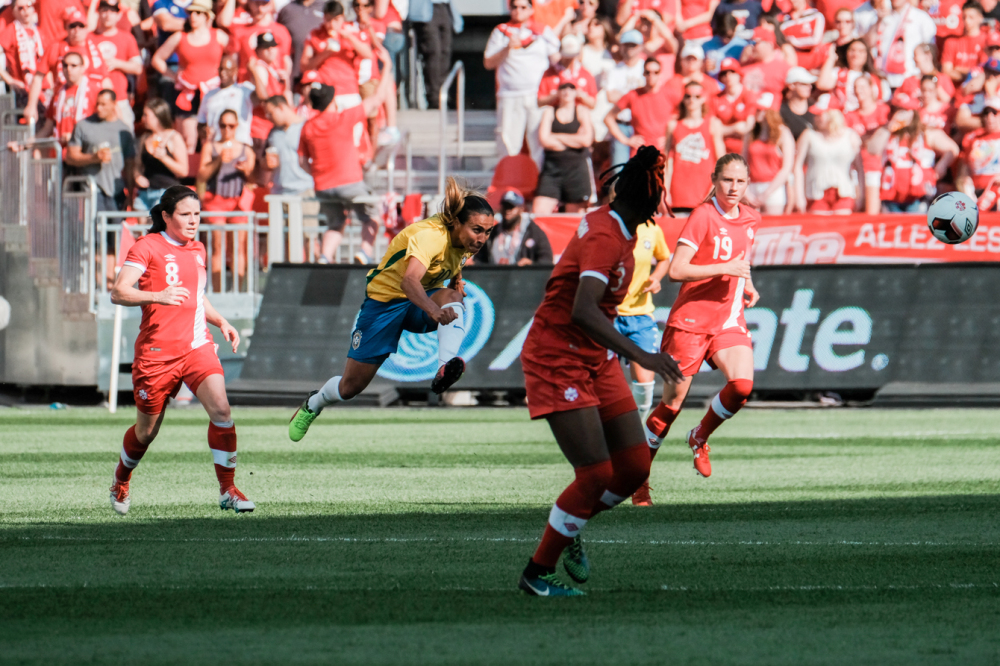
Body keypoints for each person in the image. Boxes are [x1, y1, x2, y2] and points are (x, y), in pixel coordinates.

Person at [516, 146, 683, 596]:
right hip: (559, 357)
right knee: (594, 474)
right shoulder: (608, 237)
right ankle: (537, 573)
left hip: (596, 357)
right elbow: (583, 309)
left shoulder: (623, 226)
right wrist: (643, 356)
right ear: (642, 197)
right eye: (658, 192)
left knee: (631, 469)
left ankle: (569, 526)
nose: (662, 201)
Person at [287, 178, 496, 439]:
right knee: (350, 387)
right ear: (456, 223)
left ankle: (445, 367)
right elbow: (409, 281)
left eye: (488, 232)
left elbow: (452, 263)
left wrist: (455, 282)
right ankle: (313, 404)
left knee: (453, 296)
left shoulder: (466, 243)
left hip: (417, 303)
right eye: (478, 230)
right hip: (384, 305)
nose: (483, 238)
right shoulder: (430, 236)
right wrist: (433, 310)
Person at [108, 185, 255, 516]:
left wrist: (221, 321)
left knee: (222, 410)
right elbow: (118, 293)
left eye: (197, 214)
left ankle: (227, 489)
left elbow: (195, 295)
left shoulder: (198, 249)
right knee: (146, 433)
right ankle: (121, 478)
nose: (193, 221)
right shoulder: (147, 247)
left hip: (196, 346)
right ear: (166, 216)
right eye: (185, 215)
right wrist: (158, 296)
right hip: (156, 355)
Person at [643, 153, 760, 490]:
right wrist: (724, 269)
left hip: (728, 319)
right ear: (714, 180)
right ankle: (639, 479)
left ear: (747, 183)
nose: (733, 187)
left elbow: (739, 260)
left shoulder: (751, 219)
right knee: (671, 405)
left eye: (740, 181)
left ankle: (699, 436)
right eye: (727, 180)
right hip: (691, 322)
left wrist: (747, 282)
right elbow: (677, 271)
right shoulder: (703, 216)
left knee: (742, 386)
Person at [297, 53, 393, 263]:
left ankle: (325, 256)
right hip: (349, 182)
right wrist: (387, 67)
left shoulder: (307, 128)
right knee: (371, 216)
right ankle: (364, 252)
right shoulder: (343, 117)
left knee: (335, 223)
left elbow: (303, 162)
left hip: (322, 186)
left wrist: (319, 173)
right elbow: (377, 99)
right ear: (331, 100)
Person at [614, 216, 671, 459]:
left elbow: (664, 258)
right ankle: (605, 434)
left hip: (640, 315)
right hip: (608, 314)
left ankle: (633, 438)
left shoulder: (651, 228)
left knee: (644, 382)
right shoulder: (606, 225)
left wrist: (656, 278)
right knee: (603, 380)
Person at [484, 0, 560, 169]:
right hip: (510, 95)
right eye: (515, 7)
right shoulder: (501, 31)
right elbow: (488, 63)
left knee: (538, 143)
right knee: (508, 143)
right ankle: (509, 184)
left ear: (531, 9)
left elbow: (557, 61)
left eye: (523, 7)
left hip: (537, 96)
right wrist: (506, 49)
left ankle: (538, 185)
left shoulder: (542, 31)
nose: (518, 11)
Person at [152, 0, 228, 154]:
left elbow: (233, 56)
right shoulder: (180, 37)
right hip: (188, 94)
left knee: (211, 137)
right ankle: (186, 175)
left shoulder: (218, 36)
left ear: (206, 16)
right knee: (188, 139)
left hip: (212, 93)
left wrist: (226, 77)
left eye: (198, 13)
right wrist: (174, 76)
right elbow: (157, 59)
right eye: (191, 12)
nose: (193, 16)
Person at [874, 89, 959, 213]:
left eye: (901, 110)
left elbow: (953, 149)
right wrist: (889, 127)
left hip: (918, 197)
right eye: (895, 110)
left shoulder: (927, 132)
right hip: (891, 196)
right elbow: (872, 149)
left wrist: (942, 164)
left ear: (912, 113)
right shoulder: (888, 132)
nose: (897, 114)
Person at [197, 109, 255, 287]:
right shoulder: (210, 147)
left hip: (238, 201)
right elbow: (201, 176)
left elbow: (254, 179)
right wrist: (218, 161)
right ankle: (217, 289)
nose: (227, 130)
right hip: (216, 201)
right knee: (217, 246)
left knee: (238, 247)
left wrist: (246, 172)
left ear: (237, 126)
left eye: (231, 126)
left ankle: (238, 288)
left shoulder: (246, 149)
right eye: (223, 125)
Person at [65, 88, 136, 215]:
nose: (99, 108)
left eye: (103, 104)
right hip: (93, 188)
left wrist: (130, 194)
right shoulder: (84, 125)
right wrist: (93, 158)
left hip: (116, 189)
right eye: (97, 104)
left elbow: (130, 165)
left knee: (114, 232)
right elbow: (70, 157)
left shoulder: (124, 131)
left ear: (114, 104)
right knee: (96, 230)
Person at [665, 81, 725, 213]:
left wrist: (713, 192)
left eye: (696, 96)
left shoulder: (712, 124)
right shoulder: (673, 126)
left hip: (704, 194)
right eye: (688, 96)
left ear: (703, 98)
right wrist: (665, 191)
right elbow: (667, 162)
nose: (692, 100)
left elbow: (721, 162)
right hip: (678, 196)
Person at [534, 82, 594, 214]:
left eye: (571, 88)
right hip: (552, 170)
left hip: (576, 170)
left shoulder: (581, 111)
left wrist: (556, 136)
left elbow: (586, 140)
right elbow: (544, 139)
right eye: (563, 88)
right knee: (539, 214)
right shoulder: (549, 111)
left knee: (574, 219)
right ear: (558, 92)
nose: (567, 92)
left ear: (576, 92)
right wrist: (574, 139)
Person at [301, 0, 373, 109]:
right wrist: (324, 54)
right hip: (327, 91)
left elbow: (368, 55)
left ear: (342, 18)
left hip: (349, 89)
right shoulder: (315, 34)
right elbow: (304, 65)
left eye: (336, 20)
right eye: (328, 20)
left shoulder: (350, 31)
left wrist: (349, 38)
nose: (332, 25)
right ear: (324, 17)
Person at [793, 100, 861, 214]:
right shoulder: (809, 135)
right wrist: (799, 196)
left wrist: (860, 195)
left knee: (844, 228)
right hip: (816, 192)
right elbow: (797, 166)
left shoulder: (850, 136)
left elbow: (859, 168)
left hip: (844, 192)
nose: (816, 118)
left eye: (820, 115)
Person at [605, 57, 670, 159]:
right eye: (648, 72)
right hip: (640, 153)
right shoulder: (633, 95)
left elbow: (682, 119)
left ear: (660, 74)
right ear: (643, 74)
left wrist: (670, 137)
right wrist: (625, 140)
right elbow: (608, 118)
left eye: (655, 72)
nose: (651, 76)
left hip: (661, 153)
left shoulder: (669, 95)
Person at [93, 0, 142, 131]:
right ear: (98, 13)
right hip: (94, 100)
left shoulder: (127, 38)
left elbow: (138, 67)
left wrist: (118, 63)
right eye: (104, 10)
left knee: (125, 137)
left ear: (119, 15)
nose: (108, 15)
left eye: (112, 11)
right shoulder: (89, 38)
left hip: (119, 97)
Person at [844, 74, 890, 214]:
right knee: (855, 210)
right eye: (856, 87)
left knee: (871, 213)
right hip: (855, 168)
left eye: (862, 86)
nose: (859, 91)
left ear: (872, 88)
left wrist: (864, 140)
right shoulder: (849, 115)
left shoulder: (884, 111)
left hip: (875, 167)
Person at [134, 98, 188, 213]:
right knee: (141, 229)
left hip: (165, 192)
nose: (143, 119)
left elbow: (183, 171)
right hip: (145, 192)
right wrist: (137, 176)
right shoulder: (144, 138)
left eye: (146, 115)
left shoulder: (173, 137)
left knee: (157, 224)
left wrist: (164, 158)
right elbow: (137, 166)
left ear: (157, 116)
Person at [476, 189, 554, 265]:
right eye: (505, 206)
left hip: (523, 276)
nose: (507, 210)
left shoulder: (533, 232)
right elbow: (479, 260)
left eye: (511, 207)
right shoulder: (492, 233)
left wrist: (531, 265)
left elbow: (547, 260)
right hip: (495, 276)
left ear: (521, 209)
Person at [604, 29, 647, 167]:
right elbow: (610, 96)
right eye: (627, 45)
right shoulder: (615, 69)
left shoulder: (645, 69)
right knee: (619, 171)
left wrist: (622, 93)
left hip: (641, 124)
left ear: (640, 46)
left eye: (633, 45)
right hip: (621, 124)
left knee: (643, 169)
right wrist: (635, 94)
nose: (630, 49)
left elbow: (650, 95)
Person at [198, 53, 256, 149]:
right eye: (221, 69)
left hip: (240, 145)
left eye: (227, 70)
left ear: (235, 71)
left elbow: (262, 97)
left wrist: (254, 71)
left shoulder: (244, 89)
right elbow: (201, 122)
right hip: (217, 146)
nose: (223, 73)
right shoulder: (209, 95)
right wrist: (204, 131)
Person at [413, 0, 462, 108]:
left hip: (445, 6)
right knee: (433, 53)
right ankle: (434, 98)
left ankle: (443, 93)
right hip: (428, 8)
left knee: (445, 52)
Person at [745, 108, 795, 214]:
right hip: (752, 186)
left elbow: (786, 167)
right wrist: (746, 192)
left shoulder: (782, 133)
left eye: (759, 109)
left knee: (772, 226)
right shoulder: (751, 133)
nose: (755, 112)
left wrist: (767, 193)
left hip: (773, 187)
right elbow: (743, 163)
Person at [815, 38, 883, 113]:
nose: (855, 54)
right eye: (852, 50)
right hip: (839, 115)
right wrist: (831, 58)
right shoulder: (839, 72)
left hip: (860, 119)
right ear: (846, 53)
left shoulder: (873, 79)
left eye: (860, 51)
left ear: (867, 55)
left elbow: (878, 103)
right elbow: (822, 84)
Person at [0, 0, 44, 111]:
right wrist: (9, 80)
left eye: (28, 6)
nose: (25, 11)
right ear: (13, 11)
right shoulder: (10, 31)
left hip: (43, 89)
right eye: (20, 8)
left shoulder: (39, 31)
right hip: (24, 91)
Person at [957, 100, 1000, 209]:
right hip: (975, 190)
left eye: (994, 113)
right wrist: (965, 182)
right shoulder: (973, 139)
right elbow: (965, 167)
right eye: (986, 113)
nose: (990, 117)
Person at [538, 35, 598, 109]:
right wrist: (557, 95)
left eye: (572, 56)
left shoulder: (585, 74)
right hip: (555, 115)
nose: (569, 59)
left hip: (578, 115)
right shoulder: (549, 73)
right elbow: (539, 101)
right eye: (567, 56)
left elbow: (593, 104)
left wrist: (580, 95)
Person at [714, 58, 757, 155]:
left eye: (732, 72)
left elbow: (749, 126)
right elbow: (714, 130)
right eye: (724, 73)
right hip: (723, 149)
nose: (728, 76)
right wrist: (734, 128)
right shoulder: (716, 99)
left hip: (746, 149)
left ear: (739, 74)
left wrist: (724, 130)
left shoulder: (748, 95)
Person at [278, 0, 325, 83]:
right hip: (295, 74)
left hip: (322, 75)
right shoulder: (287, 9)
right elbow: (278, 39)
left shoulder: (326, 6)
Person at [940, 1, 986, 84]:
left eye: (971, 17)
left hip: (978, 92)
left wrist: (958, 69)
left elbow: (984, 71)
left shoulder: (986, 41)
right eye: (964, 17)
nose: (967, 21)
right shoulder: (951, 42)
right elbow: (946, 71)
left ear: (980, 18)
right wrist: (970, 73)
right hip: (956, 91)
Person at [702, 13, 750, 77]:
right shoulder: (706, 45)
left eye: (729, 36)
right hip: (713, 83)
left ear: (735, 29)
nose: (725, 40)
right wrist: (703, 67)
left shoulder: (743, 46)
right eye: (722, 35)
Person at [780, 66, 816, 140]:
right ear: (791, 85)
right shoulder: (781, 111)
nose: (809, 87)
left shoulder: (815, 107)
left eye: (810, 84)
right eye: (804, 84)